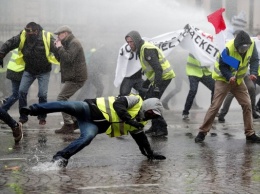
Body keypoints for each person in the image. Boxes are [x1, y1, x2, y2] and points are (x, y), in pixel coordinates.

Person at [20, 95, 166, 167]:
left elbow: (141, 141)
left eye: (154, 116)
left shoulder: (139, 124)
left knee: (87, 138)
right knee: (65, 105)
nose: (151, 116)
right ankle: (33, 109)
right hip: (88, 108)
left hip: (92, 125)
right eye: (152, 112)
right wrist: (129, 119)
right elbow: (118, 104)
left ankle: (60, 157)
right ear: (147, 106)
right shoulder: (136, 100)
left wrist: (150, 154)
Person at [195, 30, 260, 143]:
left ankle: (250, 133)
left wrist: (254, 72)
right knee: (215, 106)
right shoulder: (228, 48)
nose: (244, 51)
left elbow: (254, 60)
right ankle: (202, 132)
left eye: (246, 48)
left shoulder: (252, 44)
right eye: (241, 48)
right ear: (236, 45)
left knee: (247, 104)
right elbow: (223, 66)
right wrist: (229, 76)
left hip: (238, 80)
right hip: (223, 79)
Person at [0, 22, 59, 125]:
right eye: (27, 32)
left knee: (42, 94)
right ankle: (23, 117)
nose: (28, 35)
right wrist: (1, 53)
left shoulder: (46, 36)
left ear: (36, 32)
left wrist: (63, 60)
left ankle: (42, 116)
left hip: (43, 71)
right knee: (21, 91)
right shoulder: (23, 35)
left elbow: (57, 50)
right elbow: (10, 43)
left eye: (30, 33)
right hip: (29, 70)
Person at [125, 31, 175, 137]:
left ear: (137, 40)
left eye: (131, 42)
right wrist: (146, 84)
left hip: (163, 77)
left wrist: (156, 86)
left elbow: (158, 69)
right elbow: (151, 70)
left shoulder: (146, 49)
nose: (130, 45)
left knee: (152, 103)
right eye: (128, 42)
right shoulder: (141, 49)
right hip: (158, 78)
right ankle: (155, 127)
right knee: (148, 100)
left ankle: (162, 129)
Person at [53, 25, 87, 134]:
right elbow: (61, 59)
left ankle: (68, 124)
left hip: (76, 77)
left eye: (59, 34)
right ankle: (75, 121)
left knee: (61, 98)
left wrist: (60, 47)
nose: (58, 36)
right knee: (64, 98)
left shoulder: (74, 43)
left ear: (66, 33)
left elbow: (68, 58)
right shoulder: (67, 43)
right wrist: (56, 48)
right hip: (73, 76)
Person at [182, 54, 215, 120]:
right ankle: (185, 112)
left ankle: (213, 112)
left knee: (215, 89)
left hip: (205, 72)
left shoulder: (209, 48)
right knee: (193, 91)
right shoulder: (194, 46)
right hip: (193, 72)